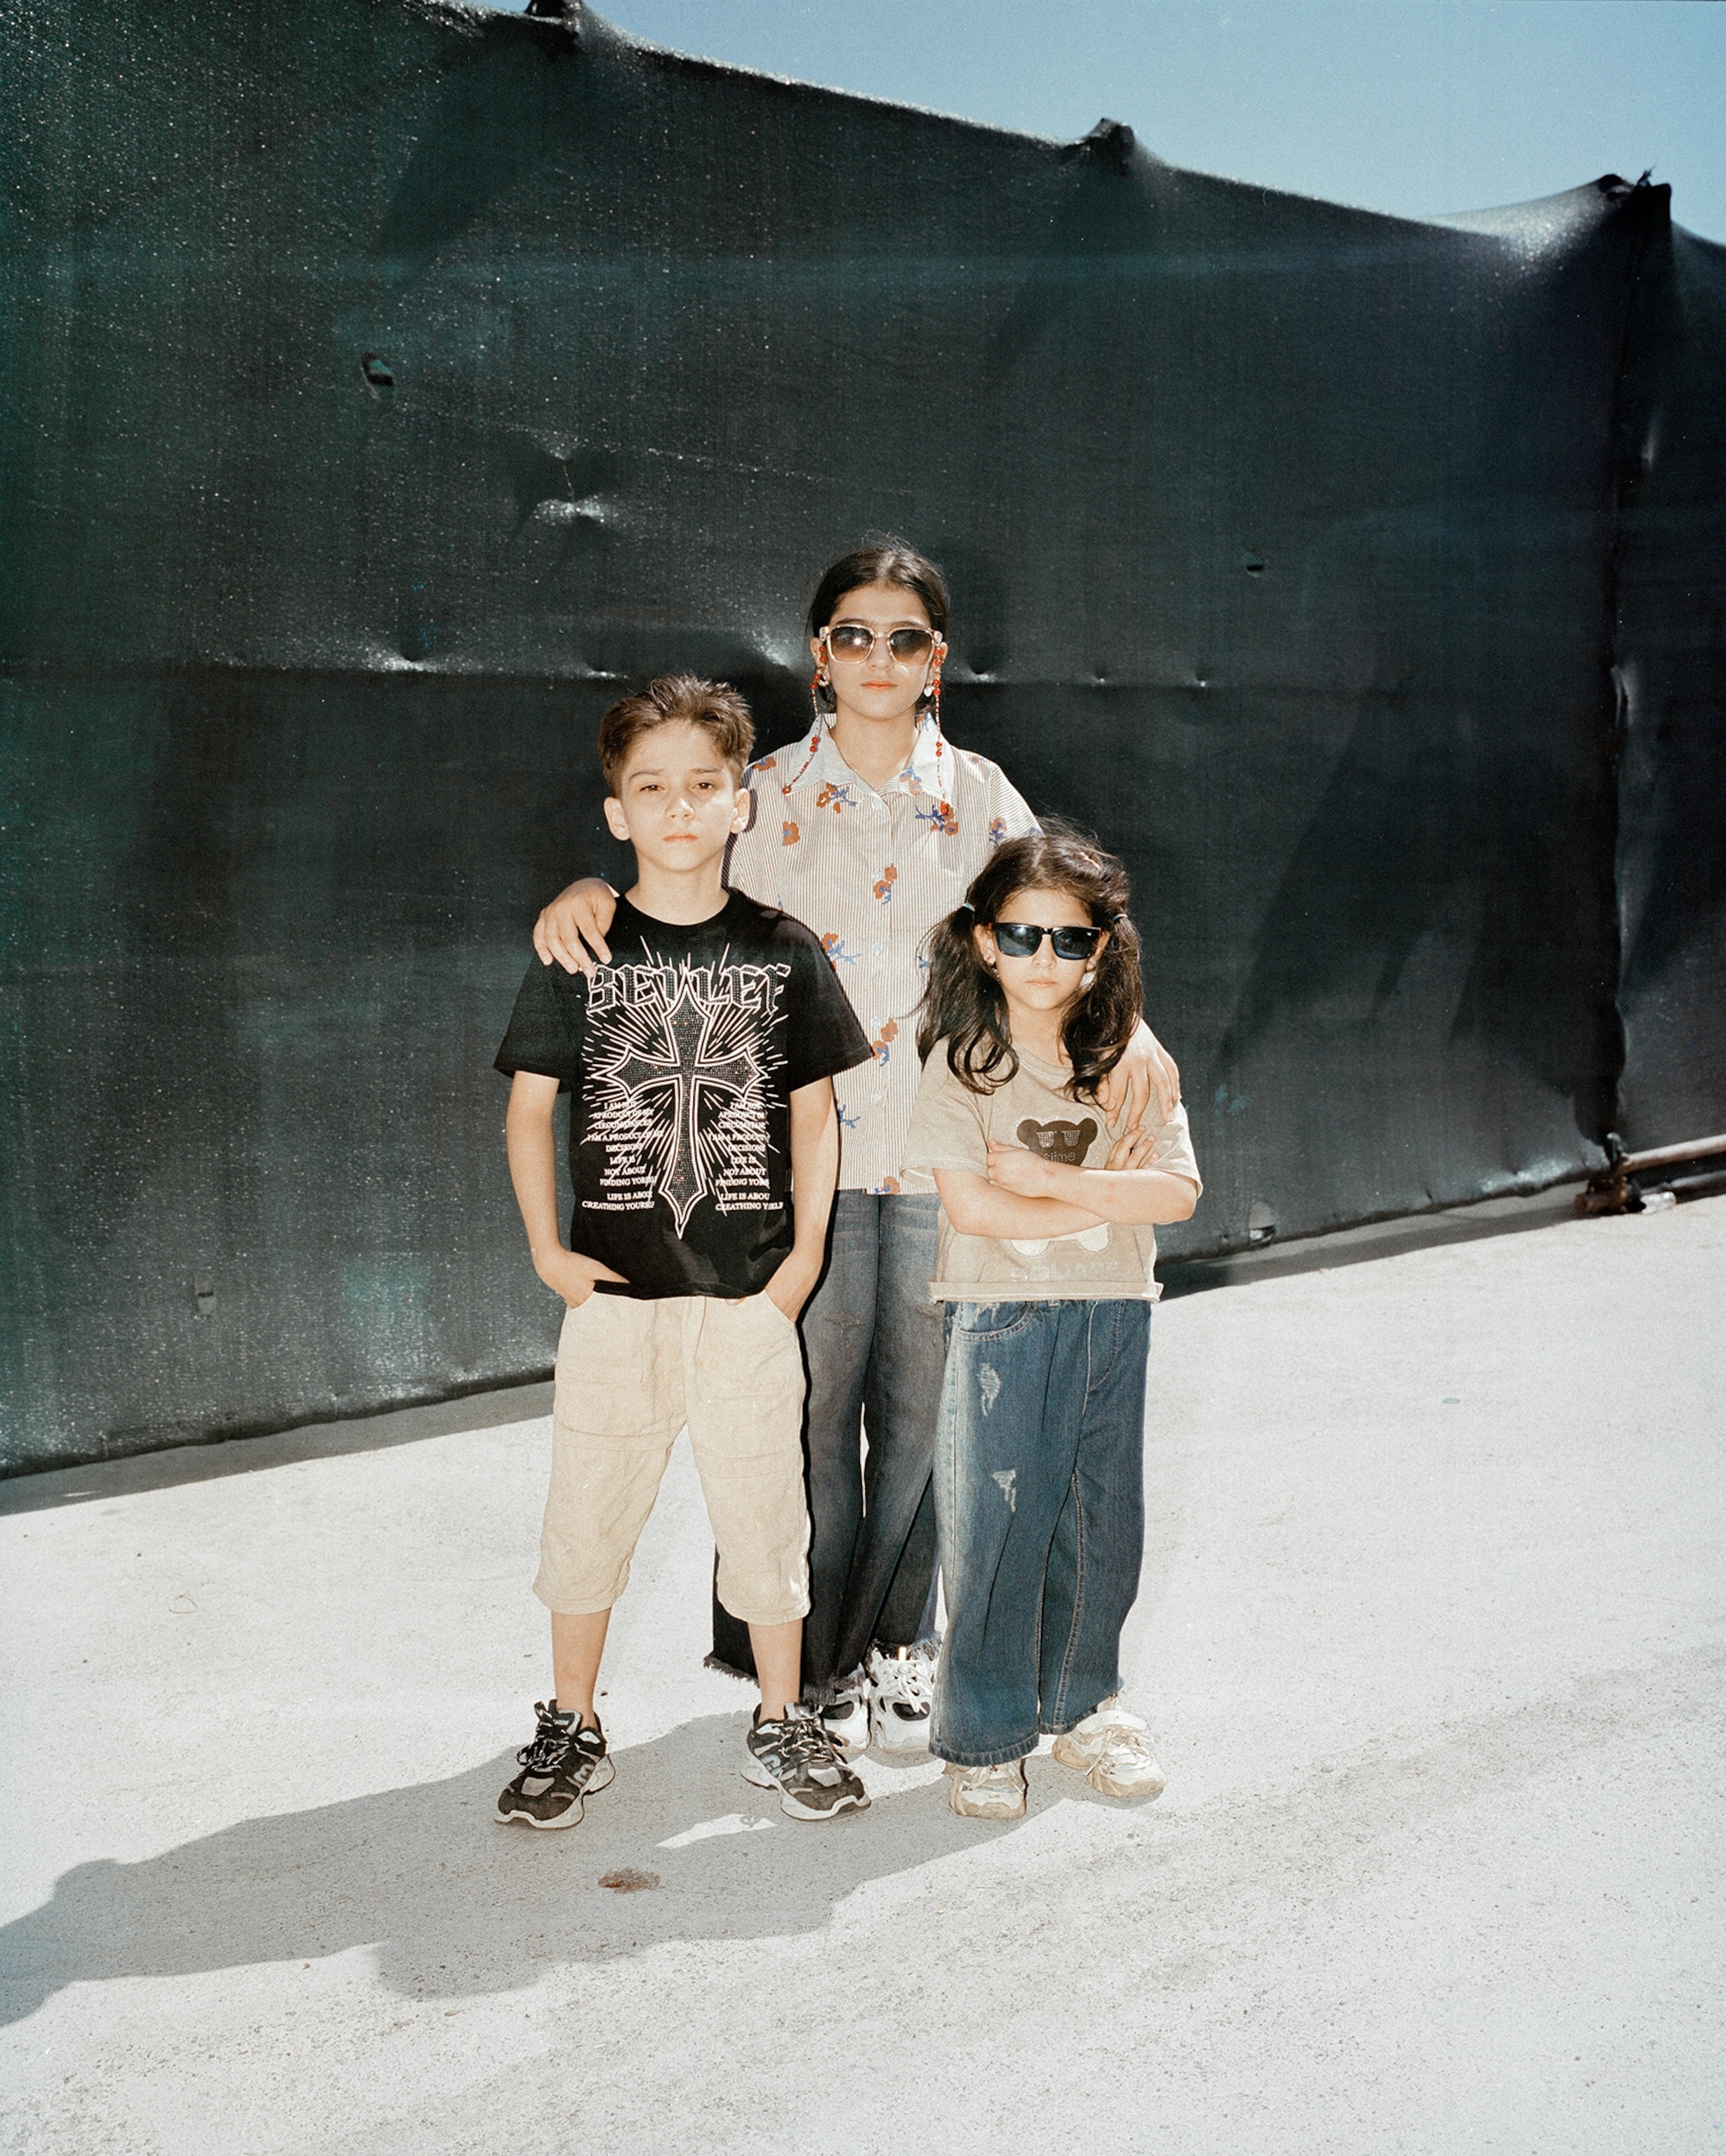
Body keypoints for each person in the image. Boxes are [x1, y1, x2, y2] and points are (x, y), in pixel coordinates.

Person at [531, 543, 1181, 1756]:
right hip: (797, 1170)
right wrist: (581, 891)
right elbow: (669, 881)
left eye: (904, 638)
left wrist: (1133, 1045)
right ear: (816, 655)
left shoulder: (984, 796)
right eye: (851, 634)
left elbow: (1065, 920)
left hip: (945, 1164)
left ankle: (896, 1648)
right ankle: (806, 1671)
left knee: (931, 1423)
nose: (876, 658)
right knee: (807, 1418)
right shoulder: (758, 791)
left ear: (938, 662)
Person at [492, 675, 875, 1826]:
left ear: (741, 801)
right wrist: (548, 1255)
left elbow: (813, 1113)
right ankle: (572, 1721)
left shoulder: (785, 949)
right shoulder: (582, 947)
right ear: (616, 814)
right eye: (649, 789)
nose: (677, 808)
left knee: (767, 1515)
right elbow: (527, 1111)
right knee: (589, 1512)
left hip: (749, 1300)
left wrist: (801, 1261)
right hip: (615, 1299)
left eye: (703, 786)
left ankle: (781, 1716)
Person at [902, 827, 1201, 1820]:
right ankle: (984, 1735)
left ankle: (1086, 1706)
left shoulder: (1133, 1053)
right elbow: (975, 1209)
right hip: (999, 1315)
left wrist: (1062, 1184)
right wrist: (1108, 1196)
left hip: (1115, 1312)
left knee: (1102, 1521)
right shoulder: (966, 1060)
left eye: (1071, 941)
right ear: (985, 941)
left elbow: (1181, 1193)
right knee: (997, 1527)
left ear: (1103, 950)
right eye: (1023, 937)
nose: (1045, 961)